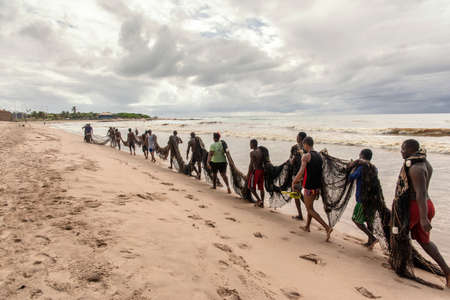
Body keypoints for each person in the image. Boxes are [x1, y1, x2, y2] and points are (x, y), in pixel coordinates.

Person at [400, 139, 449, 288]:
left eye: (403, 149)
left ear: (410, 149)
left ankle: (402, 265)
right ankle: (447, 271)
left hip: (418, 207)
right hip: (427, 205)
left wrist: (423, 218)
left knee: (399, 235)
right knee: (425, 242)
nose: (401, 151)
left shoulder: (416, 168)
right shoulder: (425, 163)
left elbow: (420, 193)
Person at [292, 136, 332, 242]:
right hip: (317, 186)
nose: (303, 147)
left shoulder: (306, 156)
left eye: (303, 145)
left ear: (306, 144)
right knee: (310, 206)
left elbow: (301, 171)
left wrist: (294, 181)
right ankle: (307, 226)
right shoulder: (319, 155)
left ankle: (327, 227)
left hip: (309, 186)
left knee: (309, 209)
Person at [348, 149, 377, 249]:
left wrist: (351, 168)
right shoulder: (374, 168)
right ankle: (370, 242)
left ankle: (372, 238)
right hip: (373, 199)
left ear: (362, 156)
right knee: (369, 221)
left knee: (356, 220)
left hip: (362, 199)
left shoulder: (361, 168)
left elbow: (351, 177)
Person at [290, 132, 307, 220]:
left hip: (299, 175)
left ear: (301, 138)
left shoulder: (305, 150)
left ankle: (305, 212)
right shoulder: (295, 148)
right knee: (297, 194)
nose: (297, 138)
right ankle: (304, 213)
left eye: (298, 137)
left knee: (298, 194)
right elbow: (291, 160)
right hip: (300, 174)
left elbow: (291, 161)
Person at [247, 139, 265, 208]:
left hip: (256, 171)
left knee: (250, 187)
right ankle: (262, 203)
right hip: (262, 171)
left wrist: (248, 175)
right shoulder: (261, 151)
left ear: (252, 144)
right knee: (261, 188)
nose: (249, 145)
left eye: (250, 144)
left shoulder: (252, 153)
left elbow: (251, 165)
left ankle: (259, 200)